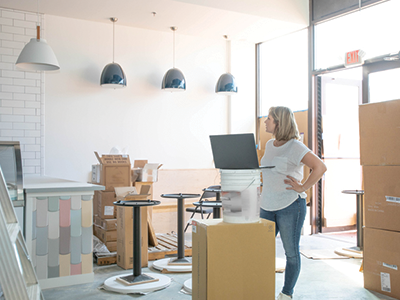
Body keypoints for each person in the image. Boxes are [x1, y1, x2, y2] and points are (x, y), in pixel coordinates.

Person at [260, 106, 327, 300]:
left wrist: (303, 187)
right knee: (260, 250)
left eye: (269, 119)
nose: (265, 121)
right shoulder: (270, 144)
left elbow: (320, 167)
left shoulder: (295, 146)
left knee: (290, 252)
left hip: (290, 206)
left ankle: (286, 294)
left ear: (279, 122)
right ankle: (260, 286)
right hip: (267, 205)